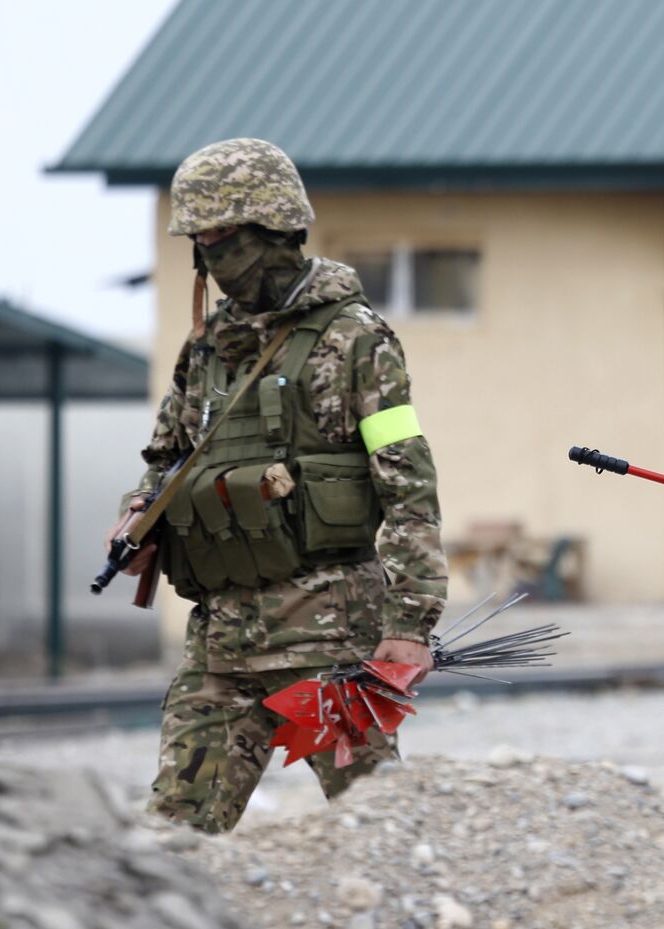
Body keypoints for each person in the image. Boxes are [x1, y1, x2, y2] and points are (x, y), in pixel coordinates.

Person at [105, 138, 448, 833]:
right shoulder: (206, 348)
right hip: (220, 647)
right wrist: (138, 515)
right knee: (171, 841)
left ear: (277, 230)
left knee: (376, 832)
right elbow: (167, 458)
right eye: (200, 244)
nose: (213, 261)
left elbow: (408, 488)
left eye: (225, 241)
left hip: (328, 645)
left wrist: (410, 625)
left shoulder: (355, 341)